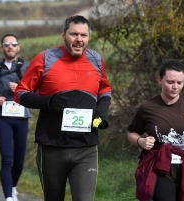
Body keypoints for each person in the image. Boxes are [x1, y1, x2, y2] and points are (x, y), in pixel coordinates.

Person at [13, 15, 112, 201]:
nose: (79, 39)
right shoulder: (45, 59)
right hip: (52, 146)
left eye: (84, 35)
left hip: (86, 147)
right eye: (74, 34)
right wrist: (47, 102)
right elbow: (20, 93)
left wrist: (103, 112)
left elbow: (105, 90)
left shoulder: (96, 60)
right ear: (63, 35)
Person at [127, 59, 184, 201]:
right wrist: (141, 141)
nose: (175, 87)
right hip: (159, 165)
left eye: (180, 83)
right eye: (170, 82)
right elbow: (131, 132)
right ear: (160, 80)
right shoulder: (147, 107)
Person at [0, 33, 33, 201]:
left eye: (13, 44)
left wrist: (21, 89)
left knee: (19, 160)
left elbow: (36, 90)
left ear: (18, 47)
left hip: (21, 116)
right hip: (3, 116)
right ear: (2, 48)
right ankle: (8, 197)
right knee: (7, 159)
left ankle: (13, 187)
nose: (10, 47)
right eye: (6, 44)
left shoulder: (27, 66)